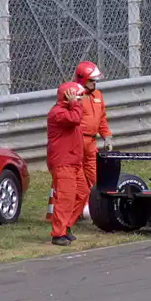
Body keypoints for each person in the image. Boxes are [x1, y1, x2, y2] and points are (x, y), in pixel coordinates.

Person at [47, 81, 89, 246]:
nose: (80, 101)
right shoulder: (58, 113)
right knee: (65, 198)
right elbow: (76, 119)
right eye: (77, 97)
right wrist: (74, 104)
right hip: (63, 163)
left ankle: (66, 226)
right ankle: (58, 234)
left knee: (82, 193)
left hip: (74, 162)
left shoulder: (69, 110)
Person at [74, 61, 113, 219]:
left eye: (95, 80)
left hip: (91, 143)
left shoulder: (98, 95)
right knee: (77, 181)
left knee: (95, 177)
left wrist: (107, 137)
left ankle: (94, 208)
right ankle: (73, 214)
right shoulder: (75, 94)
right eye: (92, 80)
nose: (94, 83)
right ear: (82, 79)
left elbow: (102, 119)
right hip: (76, 141)